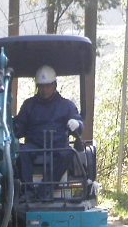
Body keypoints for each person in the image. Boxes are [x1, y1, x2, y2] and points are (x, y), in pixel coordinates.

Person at [14, 65, 82, 195]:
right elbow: (20, 127)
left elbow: (79, 125)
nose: (44, 90)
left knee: (68, 153)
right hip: (35, 145)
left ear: (54, 85)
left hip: (58, 146)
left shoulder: (66, 106)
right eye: (41, 86)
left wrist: (77, 124)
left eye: (47, 86)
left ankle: (43, 191)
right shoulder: (29, 105)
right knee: (21, 152)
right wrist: (14, 126)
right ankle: (27, 191)